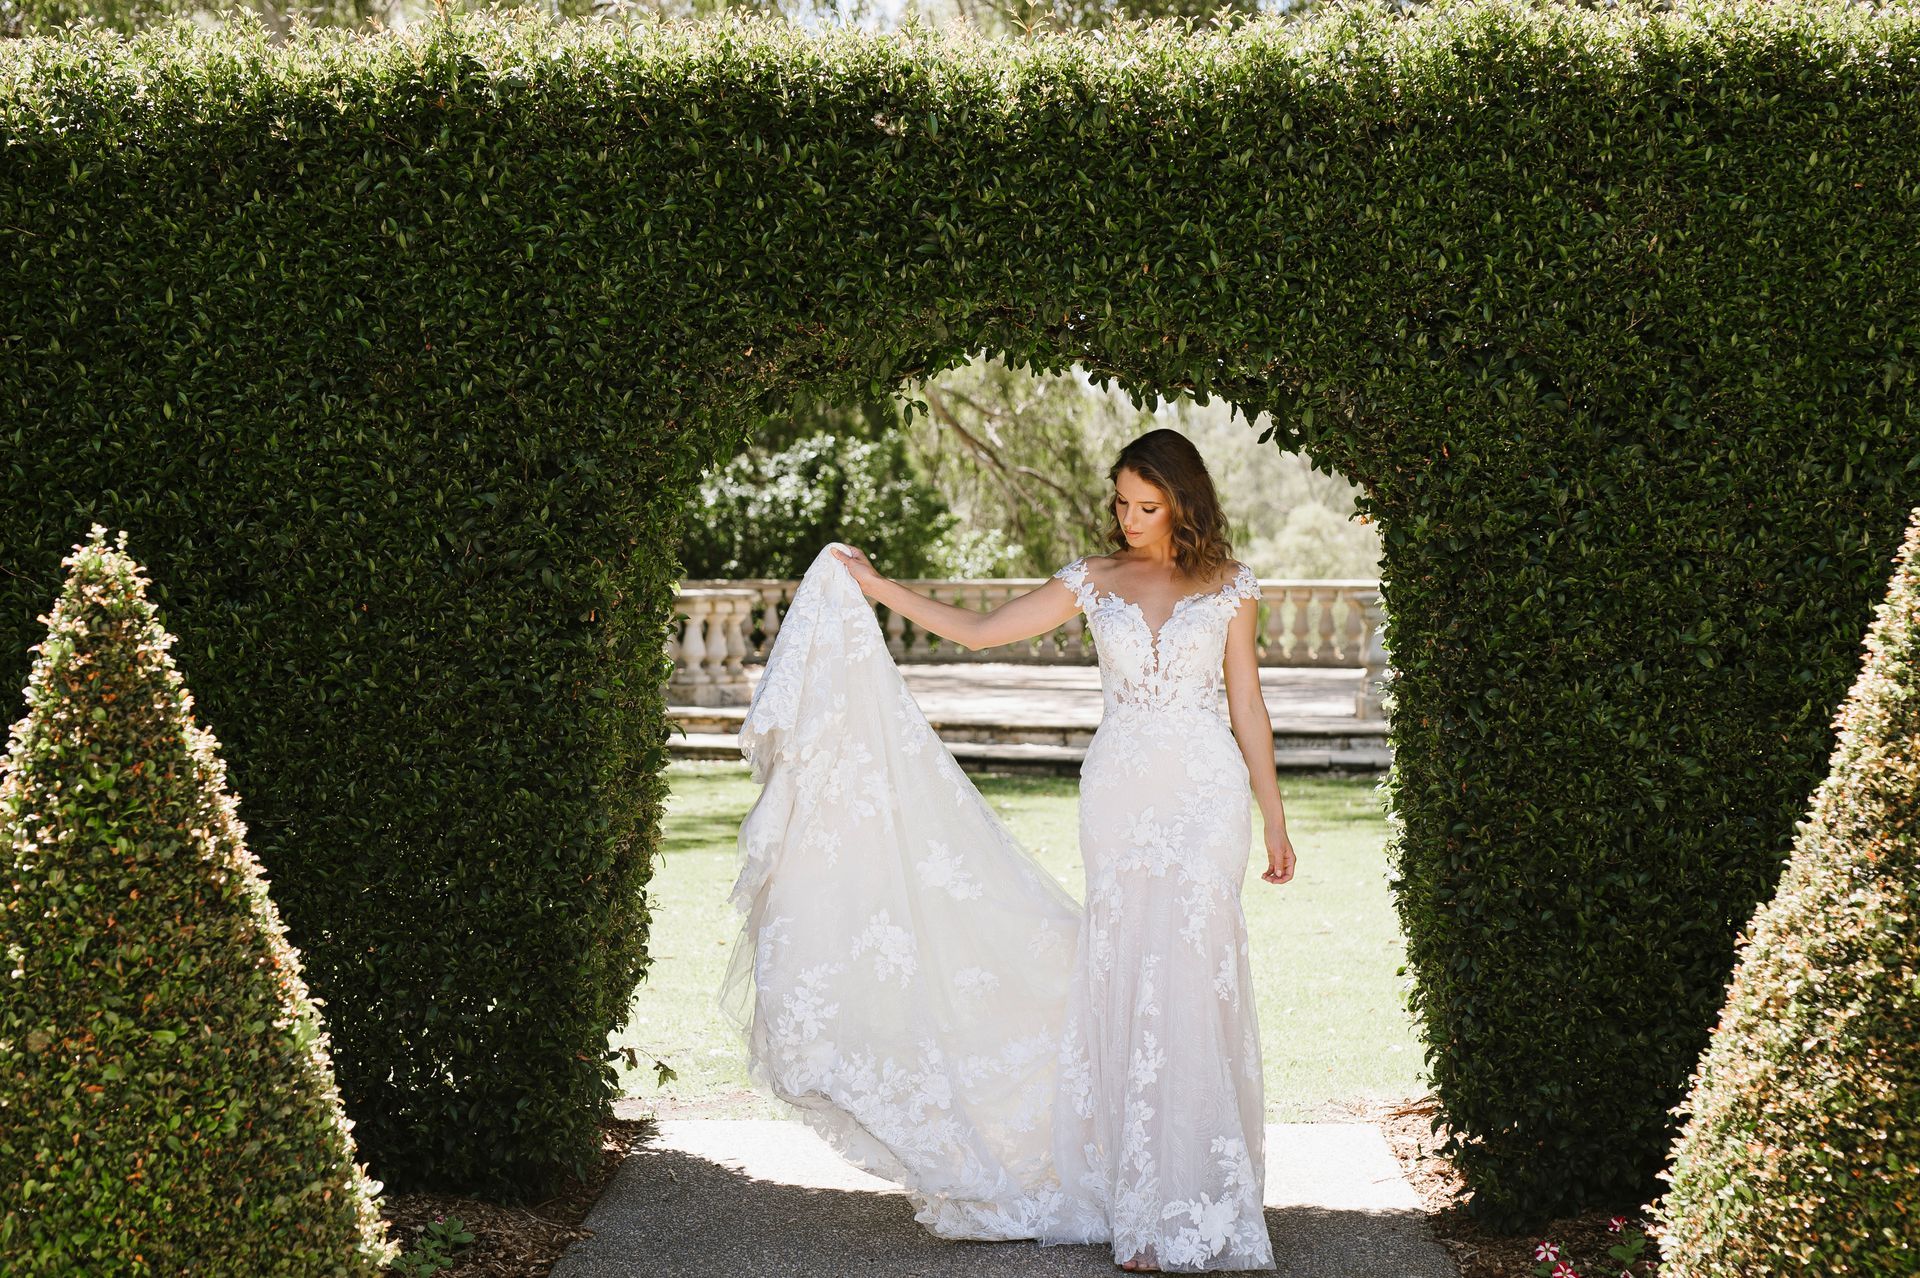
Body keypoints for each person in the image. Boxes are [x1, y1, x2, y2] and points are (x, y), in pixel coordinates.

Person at [722, 427, 1294, 1273]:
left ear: (1183, 502)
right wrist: (879, 587)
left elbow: (1247, 705)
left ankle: (1200, 1193)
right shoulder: (1093, 581)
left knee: (1193, 971)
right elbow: (982, 631)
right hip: (1121, 790)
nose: (1130, 519)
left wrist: (1273, 818)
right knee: (1127, 969)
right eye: (1121, 503)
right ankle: (1133, 1197)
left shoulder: (1232, 585)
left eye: (1148, 505)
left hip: (1206, 796)